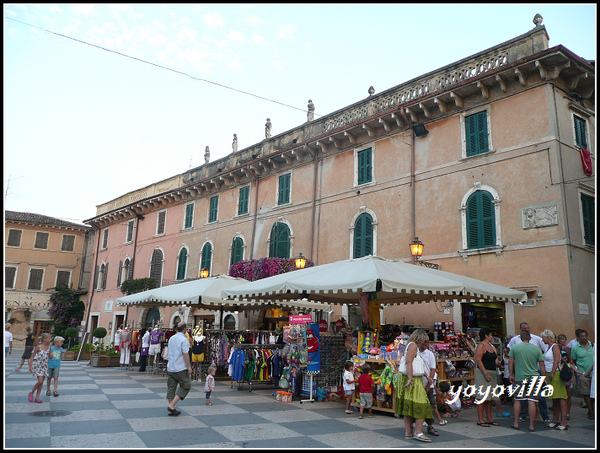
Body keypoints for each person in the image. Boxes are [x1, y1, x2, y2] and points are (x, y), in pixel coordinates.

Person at [393, 329, 433, 442]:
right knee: (422, 404)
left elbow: (415, 363)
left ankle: (408, 431)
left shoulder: (408, 345)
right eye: (424, 341)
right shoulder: (413, 346)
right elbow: (409, 362)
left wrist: (426, 375)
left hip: (406, 377)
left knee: (408, 405)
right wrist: (410, 378)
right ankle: (418, 432)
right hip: (413, 379)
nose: (424, 344)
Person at [507, 322, 549, 423]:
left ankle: (516, 422)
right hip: (534, 375)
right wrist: (544, 377)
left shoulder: (515, 347)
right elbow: (542, 364)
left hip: (520, 375)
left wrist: (511, 374)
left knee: (519, 399)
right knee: (532, 400)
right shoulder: (535, 348)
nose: (527, 329)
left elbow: (510, 360)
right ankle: (531, 423)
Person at [540, 329, 568, 430]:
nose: (542, 339)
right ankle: (555, 419)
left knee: (561, 397)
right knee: (555, 397)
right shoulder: (549, 347)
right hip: (550, 373)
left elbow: (557, 359)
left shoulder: (555, 347)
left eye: (543, 337)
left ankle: (564, 421)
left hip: (555, 374)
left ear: (548, 337)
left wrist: (552, 372)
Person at [474, 328, 502, 427]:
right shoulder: (481, 346)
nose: (492, 337)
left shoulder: (492, 347)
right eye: (490, 335)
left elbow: (496, 360)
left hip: (493, 372)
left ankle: (489, 418)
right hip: (483, 373)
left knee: (490, 397)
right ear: (486, 335)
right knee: (482, 396)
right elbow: (478, 360)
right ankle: (480, 419)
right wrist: (485, 373)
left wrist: (500, 366)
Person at [166, 322, 192, 416]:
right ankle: (172, 406)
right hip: (180, 367)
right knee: (186, 386)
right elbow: (185, 354)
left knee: (171, 387)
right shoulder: (184, 340)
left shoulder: (172, 338)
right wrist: (189, 366)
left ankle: (171, 409)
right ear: (184, 329)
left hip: (171, 366)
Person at [418, 338, 443, 436]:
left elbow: (433, 369)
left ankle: (429, 425)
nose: (423, 347)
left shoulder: (430, 354)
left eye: (425, 345)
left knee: (430, 405)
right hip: (419, 381)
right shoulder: (416, 352)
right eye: (422, 345)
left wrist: (429, 383)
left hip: (428, 382)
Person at [570, 329, 594, 420]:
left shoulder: (593, 345)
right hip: (583, 373)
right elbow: (573, 360)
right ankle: (591, 411)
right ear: (578, 338)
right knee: (585, 393)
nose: (584, 338)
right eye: (582, 336)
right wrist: (579, 370)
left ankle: (591, 407)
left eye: (585, 336)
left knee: (593, 394)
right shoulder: (576, 348)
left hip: (593, 373)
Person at [28, 332, 53, 403]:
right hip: (38, 366)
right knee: (40, 381)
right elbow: (32, 356)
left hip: (45, 366)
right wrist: (31, 365)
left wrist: (51, 356)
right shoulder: (38, 347)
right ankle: (32, 392)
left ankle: (37, 397)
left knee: (41, 383)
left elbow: (49, 356)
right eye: (49, 338)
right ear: (44, 339)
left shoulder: (49, 348)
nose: (50, 339)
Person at [557, 334, 574, 419]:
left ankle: (568, 411)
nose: (562, 341)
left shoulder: (568, 349)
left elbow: (570, 359)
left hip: (567, 372)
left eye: (564, 339)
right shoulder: (556, 348)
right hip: (560, 372)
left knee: (568, 395)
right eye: (561, 339)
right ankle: (562, 410)